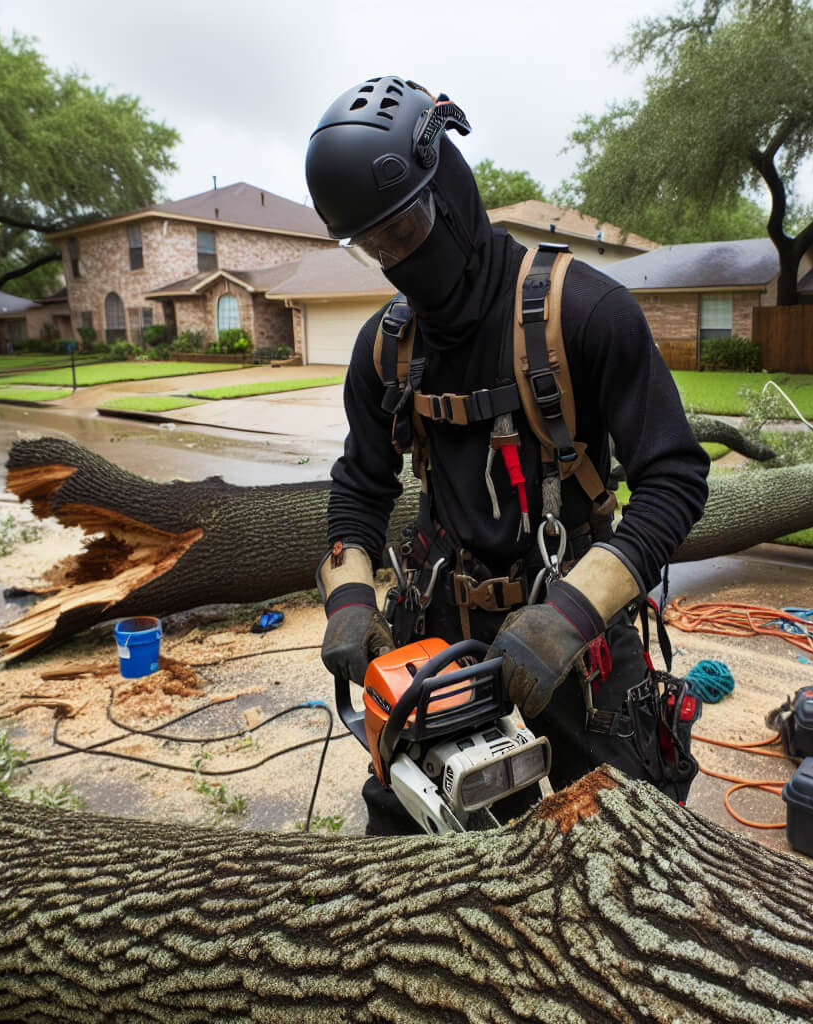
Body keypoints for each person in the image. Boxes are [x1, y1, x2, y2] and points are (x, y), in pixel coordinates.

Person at [305, 75, 710, 834]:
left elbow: (675, 481)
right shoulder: (385, 350)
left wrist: (569, 614)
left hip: (579, 629)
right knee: (405, 842)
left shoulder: (585, 313)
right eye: (374, 246)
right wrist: (351, 601)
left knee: (622, 844)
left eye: (407, 227)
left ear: (451, 188)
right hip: (439, 628)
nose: (397, 256)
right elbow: (359, 488)